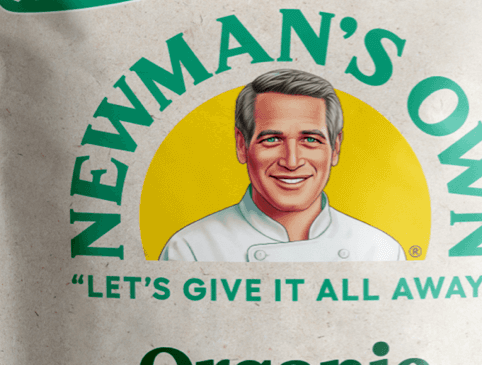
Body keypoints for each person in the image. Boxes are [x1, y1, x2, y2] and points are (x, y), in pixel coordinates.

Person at [159, 70, 405, 262]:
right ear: (242, 145)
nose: (292, 161)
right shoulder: (191, 249)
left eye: (311, 140)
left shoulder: (379, 251)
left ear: (335, 148)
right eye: (272, 139)